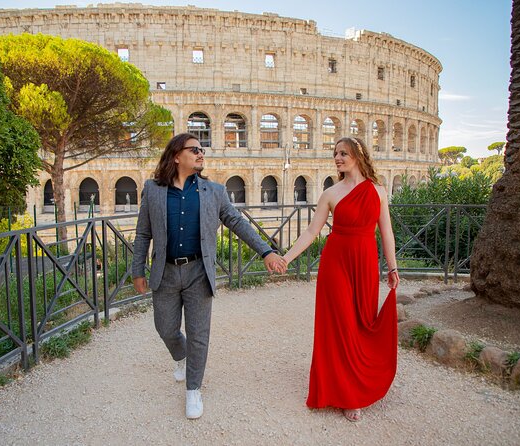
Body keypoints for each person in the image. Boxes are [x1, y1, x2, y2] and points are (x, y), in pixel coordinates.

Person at [131, 133, 285, 420]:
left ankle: (193, 390)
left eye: (202, 150)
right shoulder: (152, 190)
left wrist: (266, 251)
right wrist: (137, 269)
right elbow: (143, 233)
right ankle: (181, 357)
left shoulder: (214, 191)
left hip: (199, 271)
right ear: (177, 156)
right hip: (163, 272)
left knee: (199, 335)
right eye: (194, 150)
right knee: (165, 328)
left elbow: (238, 223)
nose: (201, 154)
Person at [276, 136, 399, 422]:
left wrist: (392, 268)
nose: (338, 158)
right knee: (341, 325)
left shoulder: (378, 191)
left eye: (343, 153)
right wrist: (287, 257)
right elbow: (311, 233)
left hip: (365, 263)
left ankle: (358, 383)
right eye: (335, 154)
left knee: (362, 322)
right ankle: (347, 395)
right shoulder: (331, 193)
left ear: (357, 155)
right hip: (336, 265)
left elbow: (387, 233)